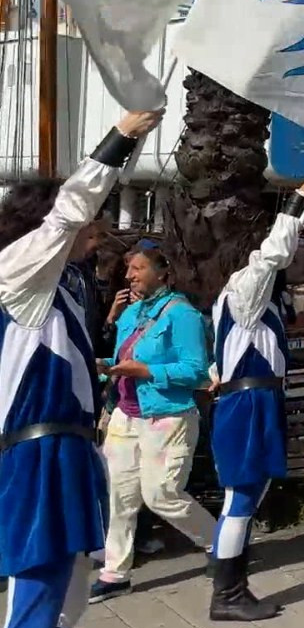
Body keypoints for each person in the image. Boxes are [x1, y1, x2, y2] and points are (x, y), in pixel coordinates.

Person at [0, 111, 160, 628]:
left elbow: (78, 214)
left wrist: (134, 146)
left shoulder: (64, 281)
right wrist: (119, 136)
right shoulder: (18, 274)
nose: (95, 231)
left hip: (68, 446)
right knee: (37, 586)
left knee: (71, 583)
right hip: (36, 451)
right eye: (87, 225)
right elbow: (69, 212)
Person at [201, 174, 304, 621]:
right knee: (243, 495)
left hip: (253, 401)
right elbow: (273, 254)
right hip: (249, 405)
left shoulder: (251, 304)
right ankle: (227, 592)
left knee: (248, 495)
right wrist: (298, 202)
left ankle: (229, 578)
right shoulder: (246, 293)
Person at [90, 242, 216, 604]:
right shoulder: (130, 314)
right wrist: (105, 368)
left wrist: (147, 371)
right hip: (125, 415)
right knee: (119, 496)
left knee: (161, 494)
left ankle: (221, 543)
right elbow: (121, 359)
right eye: (129, 269)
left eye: (138, 268)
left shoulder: (183, 315)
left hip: (168, 416)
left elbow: (196, 371)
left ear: (162, 272)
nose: (129, 275)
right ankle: (115, 573)